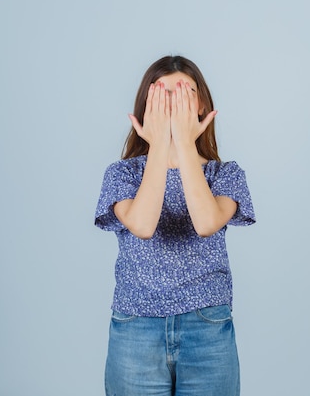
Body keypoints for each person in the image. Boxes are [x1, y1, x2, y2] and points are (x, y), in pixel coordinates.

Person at [94, 55, 256, 396]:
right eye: (161, 93)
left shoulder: (225, 175)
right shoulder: (123, 174)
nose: (173, 100)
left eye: (184, 91)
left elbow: (207, 221)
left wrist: (183, 143)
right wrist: (159, 146)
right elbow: (142, 224)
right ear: (146, 105)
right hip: (136, 329)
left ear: (201, 105)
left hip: (208, 327)